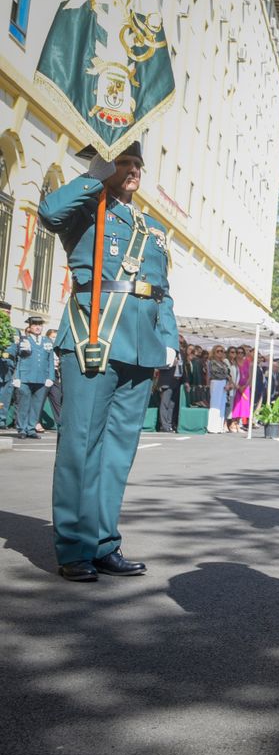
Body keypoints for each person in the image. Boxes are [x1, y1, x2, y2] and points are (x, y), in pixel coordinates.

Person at [38, 141, 179, 582]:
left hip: (140, 347)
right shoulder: (87, 209)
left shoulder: (151, 227)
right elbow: (48, 212)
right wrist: (97, 174)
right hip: (93, 337)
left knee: (118, 452)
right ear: (106, 166)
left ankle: (103, 542)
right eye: (125, 162)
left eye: (138, 164)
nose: (134, 169)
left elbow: (162, 290)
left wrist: (168, 338)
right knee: (81, 445)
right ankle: (75, 546)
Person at [8, 316, 54, 440]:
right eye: (35, 325)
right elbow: (17, 359)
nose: (38, 327)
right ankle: (22, 429)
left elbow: (50, 360)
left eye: (40, 325)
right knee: (23, 404)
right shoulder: (23, 340)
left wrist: (51, 376)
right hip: (25, 377)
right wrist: (16, 377)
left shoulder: (47, 341)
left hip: (42, 378)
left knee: (37, 406)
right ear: (30, 327)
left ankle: (31, 428)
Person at [154, 334, 185, 432]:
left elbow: (183, 369)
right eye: (179, 342)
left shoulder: (181, 353)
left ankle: (169, 424)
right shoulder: (168, 350)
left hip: (176, 381)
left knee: (172, 405)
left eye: (181, 343)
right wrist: (171, 364)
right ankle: (164, 425)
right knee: (165, 404)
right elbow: (159, 365)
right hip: (167, 381)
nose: (180, 344)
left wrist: (185, 381)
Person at [205, 344, 230, 433]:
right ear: (214, 352)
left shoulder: (224, 363)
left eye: (222, 351)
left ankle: (219, 426)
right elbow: (215, 373)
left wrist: (228, 383)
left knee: (222, 405)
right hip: (216, 382)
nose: (220, 353)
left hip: (223, 383)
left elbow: (228, 374)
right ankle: (212, 427)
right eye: (218, 351)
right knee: (215, 405)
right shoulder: (212, 362)